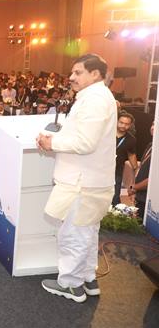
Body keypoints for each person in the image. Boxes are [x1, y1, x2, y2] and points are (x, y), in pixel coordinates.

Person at [36, 54, 117, 303]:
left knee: (73, 235)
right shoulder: (96, 96)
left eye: (78, 72)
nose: (71, 77)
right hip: (90, 180)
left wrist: (51, 143)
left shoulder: (95, 100)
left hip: (82, 182)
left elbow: (85, 143)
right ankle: (88, 278)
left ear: (95, 74)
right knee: (87, 233)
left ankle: (71, 284)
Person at [128, 123, 153, 218]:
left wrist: (134, 188)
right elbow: (141, 168)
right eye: (153, 124)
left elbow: (154, 178)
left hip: (149, 199)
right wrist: (133, 187)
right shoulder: (150, 145)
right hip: (140, 196)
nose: (153, 127)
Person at [113, 112, 137, 205]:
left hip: (117, 170)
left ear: (130, 125)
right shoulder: (107, 133)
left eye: (126, 124)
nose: (123, 125)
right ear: (117, 121)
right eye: (121, 122)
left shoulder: (131, 139)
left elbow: (131, 154)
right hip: (101, 168)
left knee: (115, 195)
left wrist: (135, 169)